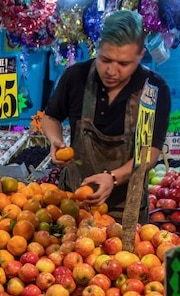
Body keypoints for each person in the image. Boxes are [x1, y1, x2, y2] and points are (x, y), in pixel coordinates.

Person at [43, 10, 171, 222]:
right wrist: (55, 139)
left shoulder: (154, 89)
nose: (112, 71)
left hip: (125, 209)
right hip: (74, 202)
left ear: (140, 55)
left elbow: (150, 152)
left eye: (123, 64)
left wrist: (113, 177)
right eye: (106, 59)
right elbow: (51, 117)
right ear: (99, 47)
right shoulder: (76, 77)